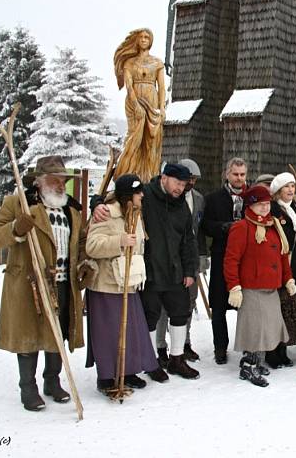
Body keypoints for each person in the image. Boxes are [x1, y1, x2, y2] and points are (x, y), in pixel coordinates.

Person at [0, 155, 90, 411]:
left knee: (58, 333)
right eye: (54, 180)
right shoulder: (19, 204)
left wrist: (85, 264)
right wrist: (15, 229)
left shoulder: (72, 210)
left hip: (63, 283)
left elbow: (79, 244)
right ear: (39, 182)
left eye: (63, 181)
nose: (60, 185)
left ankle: (52, 382)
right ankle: (28, 389)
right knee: (30, 335)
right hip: (28, 283)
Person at [85, 174, 160, 391]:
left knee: (129, 330)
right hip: (107, 284)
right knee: (109, 332)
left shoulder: (135, 215)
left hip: (128, 282)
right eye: (138, 192)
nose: (142, 196)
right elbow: (92, 246)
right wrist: (119, 241)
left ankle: (127, 371)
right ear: (128, 195)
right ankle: (107, 377)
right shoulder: (107, 214)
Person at [224, 185, 296, 387]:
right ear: (250, 205)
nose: (265, 209)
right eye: (260, 205)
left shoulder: (273, 225)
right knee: (255, 329)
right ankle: (248, 365)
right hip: (252, 287)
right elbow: (231, 260)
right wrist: (234, 287)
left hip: (271, 286)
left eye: (267, 204)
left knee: (269, 328)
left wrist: (288, 279)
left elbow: (282, 257)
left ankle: (257, 361)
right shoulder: (242, 227)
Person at [138, 163, 199, 380]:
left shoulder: (181, 205)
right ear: (164, 177)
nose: (180, 188)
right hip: (151, 271)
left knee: (180, 313)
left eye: (183, 184)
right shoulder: (145, 194)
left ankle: (176, 359)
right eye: (176, 182)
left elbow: (188, 241)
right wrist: (98, 204)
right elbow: (114, 197)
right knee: (150, 316)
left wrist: (190, 270)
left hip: (176, 271)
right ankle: (150, 360)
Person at [154, 158, 206, 366]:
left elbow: (197, 232)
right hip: (166, 261)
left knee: (188, 304)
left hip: (189, 260)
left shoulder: (199, 199)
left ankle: (184, 343)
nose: (189, 183)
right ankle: (160, 346)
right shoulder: (164, 198)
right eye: (186, 179)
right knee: (163, 308)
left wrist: (200, 258)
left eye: (192, 179)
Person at [201, 157, 248, 365]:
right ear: (227, 174)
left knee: (247, 304)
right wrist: (223, 228)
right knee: (219, 305)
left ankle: (248, 344)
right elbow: (205, 225)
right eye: (236, 174)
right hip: (221, 255)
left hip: (246, 259)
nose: (239, 178)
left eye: (242, 174)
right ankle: (220, 346)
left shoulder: (251, 197)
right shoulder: (213, 198)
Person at [264, 172, 296, 369]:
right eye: (286, 186)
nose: (290, 190)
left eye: (292, 186)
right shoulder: (272, 209)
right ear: (277, 191)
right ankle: (271, 350)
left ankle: (283, 348)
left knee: (288, 307)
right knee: (275, 308)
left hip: (294, 263)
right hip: (276, 263)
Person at [113, 28, 166, 182]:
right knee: (134, 137)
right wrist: (135, 104)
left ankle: (149, 177)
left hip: (152, 100)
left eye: (147, 37)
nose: (144, 39)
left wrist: (162, 107)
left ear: (151, 41)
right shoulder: (130, 62)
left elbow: (161, 87)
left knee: (151, 140)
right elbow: (129, 85)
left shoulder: (157, 62)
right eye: (141, 37)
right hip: (134, 100)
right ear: (137, 40)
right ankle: (128, 173)